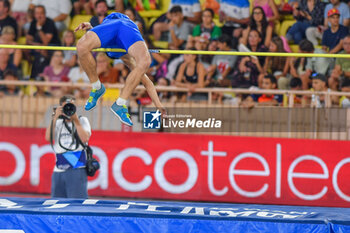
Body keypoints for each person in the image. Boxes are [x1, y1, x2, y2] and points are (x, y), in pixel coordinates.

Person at [75, 12, 165, 126]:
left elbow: (147, 82)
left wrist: (92, 28)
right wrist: (158, 105)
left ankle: (115, 100)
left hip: (116, 24)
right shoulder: (125, 56)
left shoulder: (119, 50)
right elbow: (147, 82)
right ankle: (102, 90)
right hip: (123, 29)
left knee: (82, 45)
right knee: (145, 62)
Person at [45, 95, 91, 198]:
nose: (69, 109)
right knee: (57, 203)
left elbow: (85, 139)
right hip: (58, 169)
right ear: (60, 108)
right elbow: (48, 137)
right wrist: (54, 118)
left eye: (72, 106)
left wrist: (76, 121)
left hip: (77, 168)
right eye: (66, 107)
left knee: (77, 205)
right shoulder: (58, 122)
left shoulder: (82, 120)